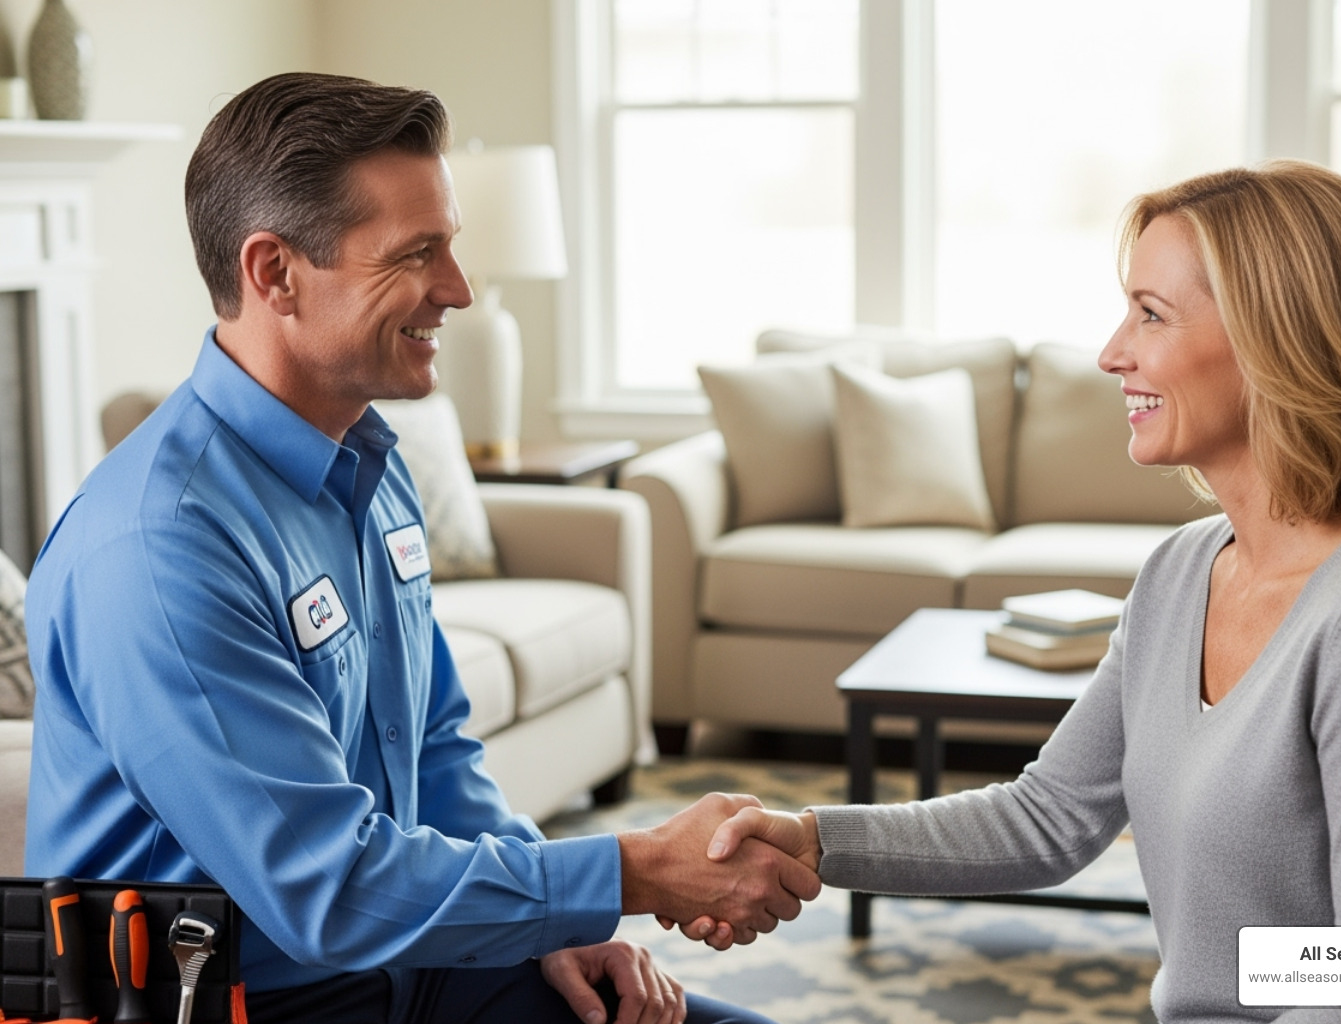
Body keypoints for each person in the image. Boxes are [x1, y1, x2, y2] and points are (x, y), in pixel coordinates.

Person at [23, 72, 818, 1024]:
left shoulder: (370, 464)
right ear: (275, 273)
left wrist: (549, 924)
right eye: (416, 254)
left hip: (404, 969)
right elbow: (329, 888)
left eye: (450, 245)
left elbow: (433, 753)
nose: (459, 289)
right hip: (223, 1003)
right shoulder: (160, 549)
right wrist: (636, 871)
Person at [687, 161, 1341, 1022]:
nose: (1114, 353)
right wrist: (813, 842)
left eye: (1151, 313)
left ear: (1276, 338)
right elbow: (1048, 817)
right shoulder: (1183, 572)